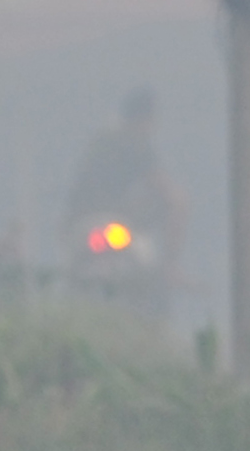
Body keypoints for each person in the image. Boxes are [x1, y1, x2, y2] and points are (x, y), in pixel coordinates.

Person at [62, 86, 185, 306]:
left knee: (71, 278)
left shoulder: (100, 140)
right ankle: (170, 271)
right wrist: (171, 260)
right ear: (146, 118)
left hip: (81, 225)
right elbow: (168, 194)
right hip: (117, 226)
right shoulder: (137, 143)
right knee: (149, 273)